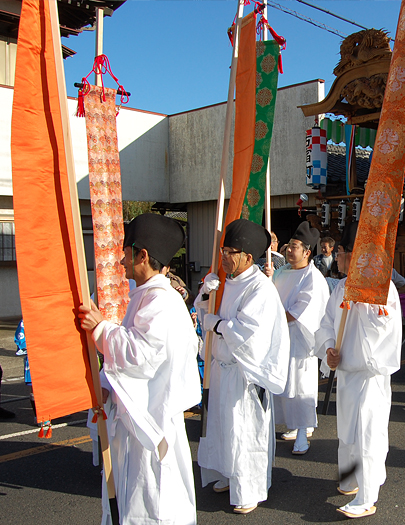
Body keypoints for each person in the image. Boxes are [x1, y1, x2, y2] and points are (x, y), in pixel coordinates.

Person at [77, 213, 201, 525]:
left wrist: (101, 329)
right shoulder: (146, 296)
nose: (121, 259)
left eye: (126, 251)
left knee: (152, 503)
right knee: (135, 498)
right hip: (137, 416)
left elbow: (140, 354)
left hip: (151, 422)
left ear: (142, 255)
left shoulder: (161, 303)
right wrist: (106, 381)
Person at [195, 219, 290, 514]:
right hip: (222, 370)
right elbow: (202, 314)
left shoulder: (260, 288)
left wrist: (218, 324)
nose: (223, 257)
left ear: (248, 257)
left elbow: (249, 332)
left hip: (244, 375)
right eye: (223, 251)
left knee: (244, 432)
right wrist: (206, 294)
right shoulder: (224, 282)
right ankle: (227, 473)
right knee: (223, 428)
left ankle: (248, 487)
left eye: (230, 252)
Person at [315, 223, 402, 519]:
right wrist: (329, 347)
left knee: (368, 432)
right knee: (348, 432)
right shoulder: (340, 287)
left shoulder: (381, 287)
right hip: (348, 374)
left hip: (370, 374)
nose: (337, 257)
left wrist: (363, 304)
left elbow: (386, 330)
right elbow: (328, 322)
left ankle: (367, 495)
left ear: (356, 255)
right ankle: (351, 479)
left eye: (341, 252)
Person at [270, 222, 330, 455]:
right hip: (279, 337)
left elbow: (299, 311)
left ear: (307, 252)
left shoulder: (312, 278)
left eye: (294, 247)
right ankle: (294, 425)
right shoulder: (280, 272)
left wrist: (273, 317)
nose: (288, 250)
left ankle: (304, 432)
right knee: (282, 384)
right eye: (288, 246)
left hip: (299, 339)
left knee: (300, 385)